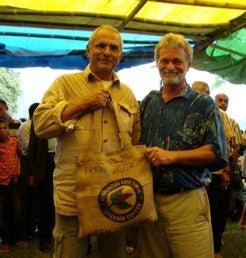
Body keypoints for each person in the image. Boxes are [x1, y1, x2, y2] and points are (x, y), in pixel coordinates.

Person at [33, 25, 140, 258]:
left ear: (120, 56)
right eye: (101, 45)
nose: (107, 52)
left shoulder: (128, 94)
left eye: (114, 48)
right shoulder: (64, 84)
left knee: (113, 253)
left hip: (115, 193)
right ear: (88, 49)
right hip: (73, 194)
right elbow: (40, 126)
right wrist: (83, 103)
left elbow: (135, 139)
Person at [140, 33, 228, 258]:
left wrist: (172, 156)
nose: (171, 66)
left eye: (177, 61)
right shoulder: (148, 102)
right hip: (151, 202)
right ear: (157, 63)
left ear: (188, 64)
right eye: (165, 61)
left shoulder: (203, 104)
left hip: (187, 201)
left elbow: (217, 151)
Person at [192, 81, 235, 258]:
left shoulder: (219, 113)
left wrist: (225, 171)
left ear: (208, 94)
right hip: (195, 174)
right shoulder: (189, 110)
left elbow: (227, 143)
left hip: (215, 173)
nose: (196, 96)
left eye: (201, 93)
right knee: (198, 212)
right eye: (193, 92)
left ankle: (216, 248)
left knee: (216, 212)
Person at [28, 112, 56, 253]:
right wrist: (31, 172)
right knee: (44, 205)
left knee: (67, 202)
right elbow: (32, 146)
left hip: (63, 162)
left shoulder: (69, 112)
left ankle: (66, 239)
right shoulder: (40, 116)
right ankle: (44, 241)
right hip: (44, 165)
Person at [0, 119, 27, 253]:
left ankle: (16, 238)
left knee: (17, 211)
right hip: (1, 183)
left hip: (15, 181)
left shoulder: (14, 141)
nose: (2, 131)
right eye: (0, 129)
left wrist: (17, 167)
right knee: (2, 213)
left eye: (4, 128)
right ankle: (5, 242)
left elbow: (22, 153)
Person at [18, 103, 39, 239]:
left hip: (36, 162)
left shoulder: (37, 126)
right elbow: (28, 148)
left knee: (35, 199)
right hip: (27, 164)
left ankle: (32, 229)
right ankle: (26, 231)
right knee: (27, 198)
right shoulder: (27, 126)